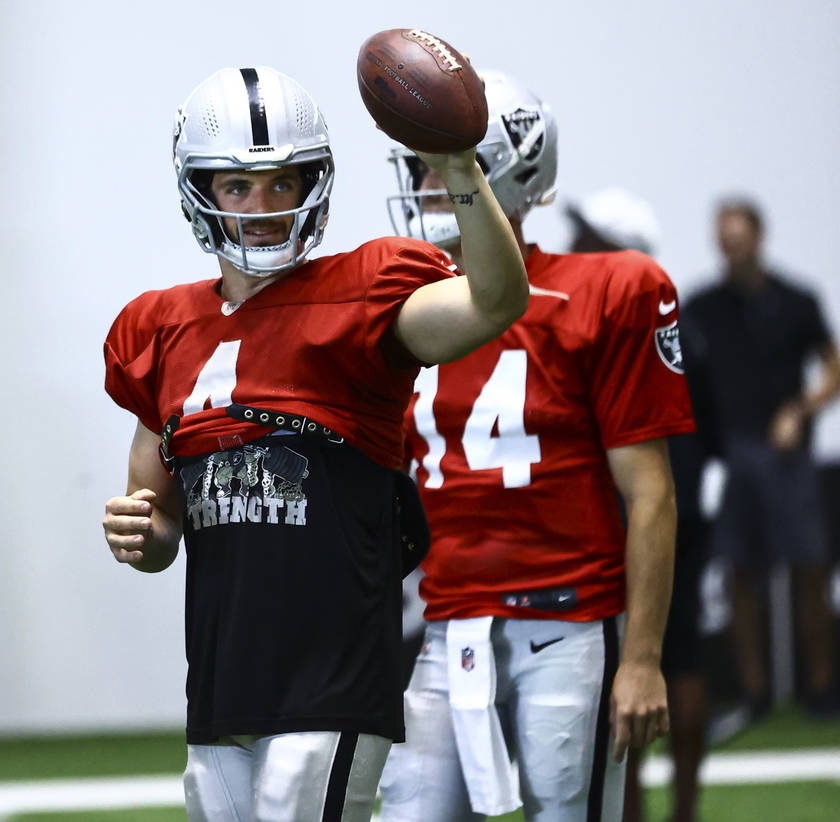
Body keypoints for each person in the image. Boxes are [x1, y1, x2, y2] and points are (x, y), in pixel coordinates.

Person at [101, 66, 528, 822]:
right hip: (223, 680)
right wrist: (141, 531)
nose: (263, 207)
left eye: (283, 182)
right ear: (198, 189)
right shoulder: (156, 327)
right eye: (238, 186)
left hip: (333, 674)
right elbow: (161, 523)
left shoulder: (366, 291)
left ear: (316, 185)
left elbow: (494, 300)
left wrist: (459, 166)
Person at [377, 73, 696, 822]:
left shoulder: (606, 290)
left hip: (570, 620)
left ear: (503, 174)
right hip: (449, 622)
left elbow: (650, 492)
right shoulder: (408, 307)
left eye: (443, 166)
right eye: (419, 165)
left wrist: (643, 657)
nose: (424, 184)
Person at [567, 189, 711, 822]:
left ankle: (669, 809)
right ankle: (650, 809)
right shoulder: (665, 322)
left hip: (648, 507)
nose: (574, 251)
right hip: (648, 503)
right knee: (658, 658)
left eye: (589, 240)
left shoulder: (641, 323)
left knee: (658, 660)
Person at [682, 199, 840, 718]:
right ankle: (755, 693)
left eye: (739, 235)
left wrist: (800, 409)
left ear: (758, 237)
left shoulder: (796, 300)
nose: (731, 245)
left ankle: (818, 689)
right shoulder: (703, 306)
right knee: (740, 575)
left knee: (809, 571)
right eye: (722, 236)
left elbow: (832, 368)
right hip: (731, 456)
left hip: (788, 457)